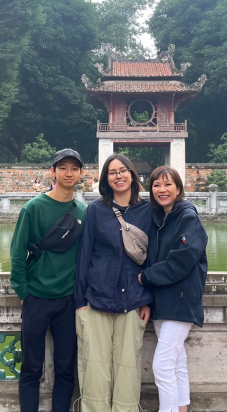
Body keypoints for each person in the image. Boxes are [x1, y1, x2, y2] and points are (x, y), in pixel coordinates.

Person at [10, 149, 87, 412]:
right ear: (52, 171)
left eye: (74, 168)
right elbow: (18, 251)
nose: (68, 173)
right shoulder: (33, 208)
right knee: (31, 367)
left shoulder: (84, 212)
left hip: (68, 299)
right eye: (62, 167)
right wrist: (23, 291)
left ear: (80, 174)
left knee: (66, 369)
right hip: (37, 298)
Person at [74, 154, 153, 412]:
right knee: (94, 366)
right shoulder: (96, 210)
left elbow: (153, 259)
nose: (118, 176)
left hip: (133, 300)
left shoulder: (148, 211)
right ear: (106, 179)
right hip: (97, 298)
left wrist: (147, 299)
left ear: (132, 174)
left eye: (123, 170)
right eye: (112, 172)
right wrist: (80, 301)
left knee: (128, 368)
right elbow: (85, 255)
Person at [138, 166, 208, 412]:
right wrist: (147, 298)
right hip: (162, 302)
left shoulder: (187, 217)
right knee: (177, 362)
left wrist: (145, 278)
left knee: (163, 366)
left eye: (168, 184)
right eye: (156, 185)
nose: (162, 190)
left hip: (180, 301)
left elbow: (181, 261)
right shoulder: (159, 219)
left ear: (178, 189)